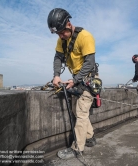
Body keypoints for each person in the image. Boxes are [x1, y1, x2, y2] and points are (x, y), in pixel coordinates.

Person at [47, 8, 97, 159]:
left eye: (62, 32)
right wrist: (56, 76)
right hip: (76, 78)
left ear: (69, 24)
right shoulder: (61, 40)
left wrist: (75, 80)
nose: (61, 36)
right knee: (78, 112)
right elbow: (58, 58)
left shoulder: (85, 36)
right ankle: (90, 137)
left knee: (81, 113)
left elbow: (89, 63)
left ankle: (77, 148)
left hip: (87, 78)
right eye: (58, 33)